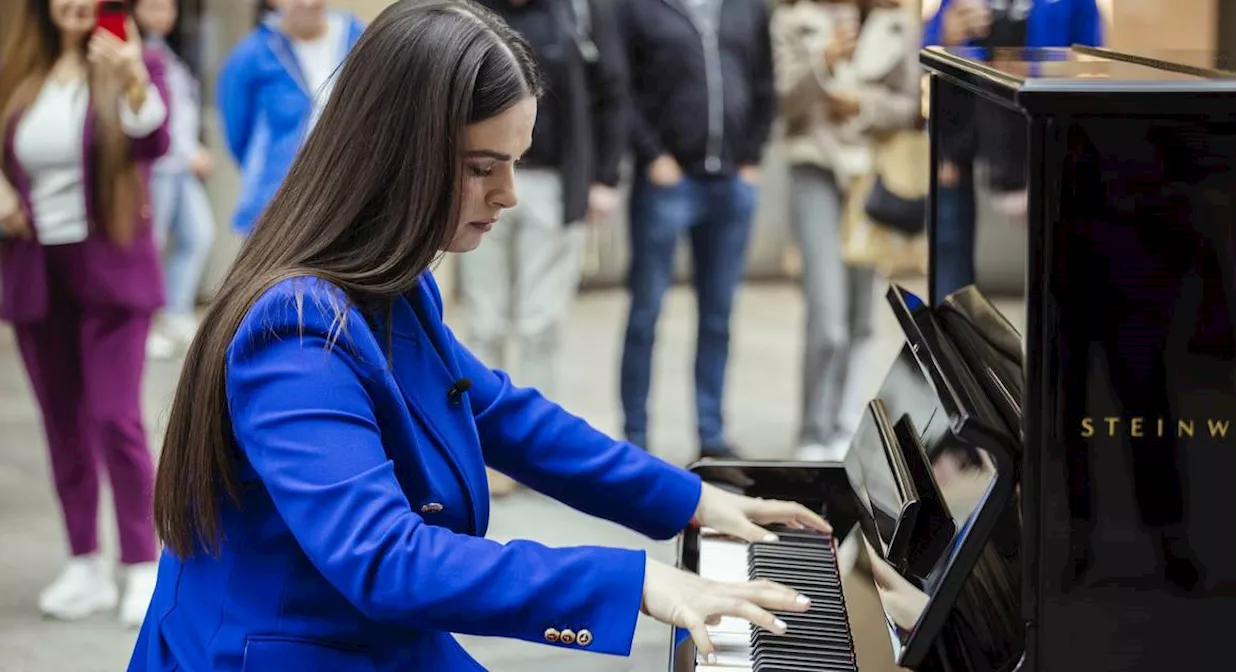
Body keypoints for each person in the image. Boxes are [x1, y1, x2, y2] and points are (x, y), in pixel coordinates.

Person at [127, 2, 828, 669]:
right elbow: (385, 558)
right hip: (281, 652)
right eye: (482, 168)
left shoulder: (392, 283)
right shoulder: (297, 336)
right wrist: (634, 583)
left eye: (515, 163)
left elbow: (497, 410)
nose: (508, 194)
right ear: (397, 153)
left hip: (367, 639)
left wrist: (692, 500)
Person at [0, 0, 170, 626]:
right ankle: (83, 563)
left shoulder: (135, 61)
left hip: (112, 272)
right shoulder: (19, 69)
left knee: (115, 418)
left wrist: (130, 74)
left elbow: (154, 138)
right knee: (61, 426)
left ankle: (141, 562)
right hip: (35, 270)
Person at [464, 0, 627, 497]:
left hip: (554, 184)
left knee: (539, 322)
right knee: (485, 320)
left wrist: (603, 177)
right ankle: (476, 447)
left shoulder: (578, 11)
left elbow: (612, 93)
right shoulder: (468, 14)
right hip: (475, 180)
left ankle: (529, 455)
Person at [615, 0, 776, 459]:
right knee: (645, 314)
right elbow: (621, 88)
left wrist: (751, 158)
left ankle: (711, 435)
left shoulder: (748, 9)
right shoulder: (639, 9)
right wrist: (652, 156)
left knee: (718, 317)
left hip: (731, 183)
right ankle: (636, 438)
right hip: (667, 183)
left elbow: (765, 84)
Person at [771, 0, 920, 461]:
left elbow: (909, 105)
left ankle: (844, 424)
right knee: (828, 317)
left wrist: (861, 104)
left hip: (871, 178)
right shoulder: (791, 21)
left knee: (860, 317)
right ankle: (812, 431)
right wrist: (824, 63)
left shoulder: (896, 23)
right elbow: (781, 100)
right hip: (815, 168)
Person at [923, 0, 1101, 299]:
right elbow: (927, 51)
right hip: (962, 150)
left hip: (1043, 148)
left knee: (1050, 279)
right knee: (952, 272)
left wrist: (1034, 69)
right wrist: (945, 36)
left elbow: (1095, 62)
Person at [216, 0, 363, 236]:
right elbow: (237, 135)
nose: (308, 3)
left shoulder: (359, 40)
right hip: (277, 208)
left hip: (350, 198)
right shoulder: (251, 56)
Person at [133, 0, 216, 358]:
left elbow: (180, 112)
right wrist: (190, 153)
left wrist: (193, 149)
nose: (162, 14)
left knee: (199, 234)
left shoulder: (168, 52)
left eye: (167, 7)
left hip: (179, 167)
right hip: (156, 167)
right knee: (150, 246)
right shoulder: (131, 53)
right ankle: (145, 324)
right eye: (152, 6)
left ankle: (175, 314)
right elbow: (155, 116)